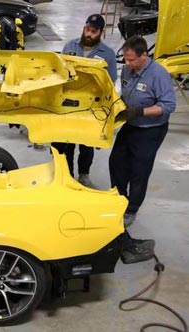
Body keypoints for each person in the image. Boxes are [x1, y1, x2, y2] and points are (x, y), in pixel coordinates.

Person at [110, 35, 176, 264]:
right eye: (125, 60)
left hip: (151, 129)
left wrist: (141, 112)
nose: (127, 65)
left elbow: (169, 106)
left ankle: (131, 208)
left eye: (131, 60)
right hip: (131, 125)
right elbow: (125, 94)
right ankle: (119, 200)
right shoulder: (128, 71)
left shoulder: (158, 75)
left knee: (139, 169)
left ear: (143, 56)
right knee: (116, 162)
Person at [52, 14, 117, 188]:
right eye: (87, 29)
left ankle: (83, 175)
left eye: (93, 31)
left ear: (101, 32)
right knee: (66, 142)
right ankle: (67, 176)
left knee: (86, 144)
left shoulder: (108, 54)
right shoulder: (70, 46)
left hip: (91, 107)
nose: (89, 34)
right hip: (68, 103)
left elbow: (110, 83)